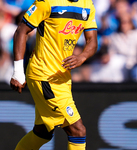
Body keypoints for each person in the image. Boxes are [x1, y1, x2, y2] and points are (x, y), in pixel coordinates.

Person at [10, 0, 98, 149]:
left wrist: (81, 57)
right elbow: (21, 31)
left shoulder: (87, 4)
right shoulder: (47, 2)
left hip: (62, 77)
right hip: (43, 74)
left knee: (42, 132)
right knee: (77, 131)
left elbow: (92, 41)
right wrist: (18, 71)